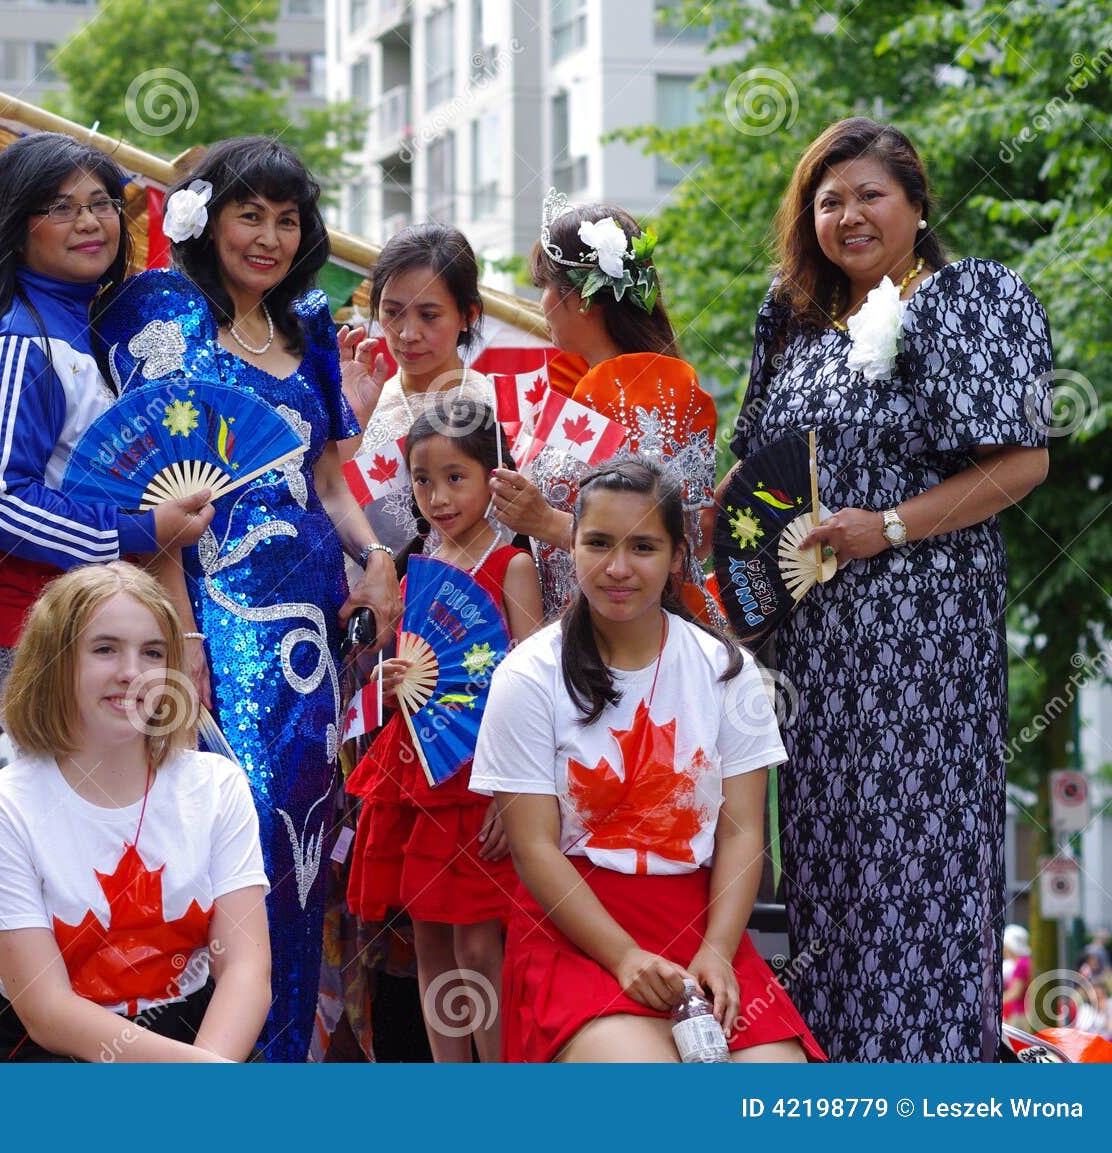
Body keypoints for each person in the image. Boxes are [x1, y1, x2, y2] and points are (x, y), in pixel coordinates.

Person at [732, 117, 1051, 1062]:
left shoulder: (966, 298)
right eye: (827, 201)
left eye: (870, 194)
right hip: (815, 660)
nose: (849, 215)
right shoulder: (787, 316)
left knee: (918, 884)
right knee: (828, 888)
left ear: (916, 202)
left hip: (924, 649)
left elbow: (1022, 462)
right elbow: (754, 475)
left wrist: (890, 525)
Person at [97, 136, 400, 1061]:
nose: (269, 236)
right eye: (248, 214)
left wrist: (375, 553)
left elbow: (332, 480)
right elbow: (150, 492)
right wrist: (178, 632)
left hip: (315, 622)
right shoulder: (162, 318)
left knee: (307, 849)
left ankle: (286, 1064)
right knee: (237, 839)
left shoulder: (306, 326)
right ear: (203, 219)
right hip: (213, 617)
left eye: (287, 218)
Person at [472, 457, 825, 1063]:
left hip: (702, 926)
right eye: (599, 543)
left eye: (643, 547)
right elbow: (533, 850)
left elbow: (742, 833)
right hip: (575, 930)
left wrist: (717, 950)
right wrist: (623, 957)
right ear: (572, 546)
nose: (617, 568)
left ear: (677, 558)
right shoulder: (527, 676)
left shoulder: (728, 674)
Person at [0, 562, 270, 1062]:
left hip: (195, 1039)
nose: (132, 672)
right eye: (105, 649)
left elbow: (246, 970)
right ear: (54, 661)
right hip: (45, 1054)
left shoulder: (217, 786)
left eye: (152, 652)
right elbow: (47, 1010)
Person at [0, 132, 213, 715]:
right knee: (80, 798)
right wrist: (138, 532)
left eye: (101, 203)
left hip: (88, 616)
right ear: (17, 229)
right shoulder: (19, 343)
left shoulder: (93, 325)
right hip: (30, 621)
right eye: (62, 207)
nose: (90, 221)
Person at [345, 400, 541, 1062]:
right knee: (429, 938)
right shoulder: (417, 561)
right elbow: (414, 671)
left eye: (456, 477)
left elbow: (534, 680)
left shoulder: (511, 563)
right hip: (420, 770)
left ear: (494, 476)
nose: (437, 495)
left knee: (480, 946)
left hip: (481, 774)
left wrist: (513, 792)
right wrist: (394, 678)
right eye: (422, 480)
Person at [489, 193, 718, 624]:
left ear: (581, 298)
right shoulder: (588, 384)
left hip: (637, 637)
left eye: (545, 289)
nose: (540, 306)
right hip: (577, 628)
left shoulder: (653, 387)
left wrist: (545, 522)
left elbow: (663, 537)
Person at [340, 223, 497, 555]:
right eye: (393, 312)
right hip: (371, 598)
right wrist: (344, 424)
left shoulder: (501, 407)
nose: (408, 333)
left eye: (429, 315)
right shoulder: (361, 405)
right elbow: (324, 502)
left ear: (468, 315)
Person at [1002, 923, 1032, 1030]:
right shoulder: (1026, 962)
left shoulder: (1021, 965)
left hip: (1021, 1016)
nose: (1004, 950)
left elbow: (1015, 993)